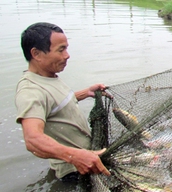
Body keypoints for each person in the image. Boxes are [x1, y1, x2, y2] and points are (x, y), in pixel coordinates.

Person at [15, 22, 111, 181]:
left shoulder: (48, 76)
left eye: (66, 48)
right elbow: (32, 139)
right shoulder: (30, 90)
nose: (67, 55)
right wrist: (75, 156)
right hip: (76, 171)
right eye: (61, 50)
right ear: (37, 54)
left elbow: (56, 103)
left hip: (89, 159)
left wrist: (85, 93)